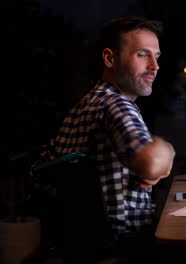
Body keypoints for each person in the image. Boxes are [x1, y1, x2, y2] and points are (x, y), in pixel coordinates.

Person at [51, 16, 177, 260]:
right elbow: (151, 162)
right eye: (142, 55)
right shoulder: (115, 105)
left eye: (156, 56)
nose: (155, 66)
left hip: (87, 246)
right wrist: (166, 151)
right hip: (129, 246)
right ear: (110, 59)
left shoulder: (91, 101)